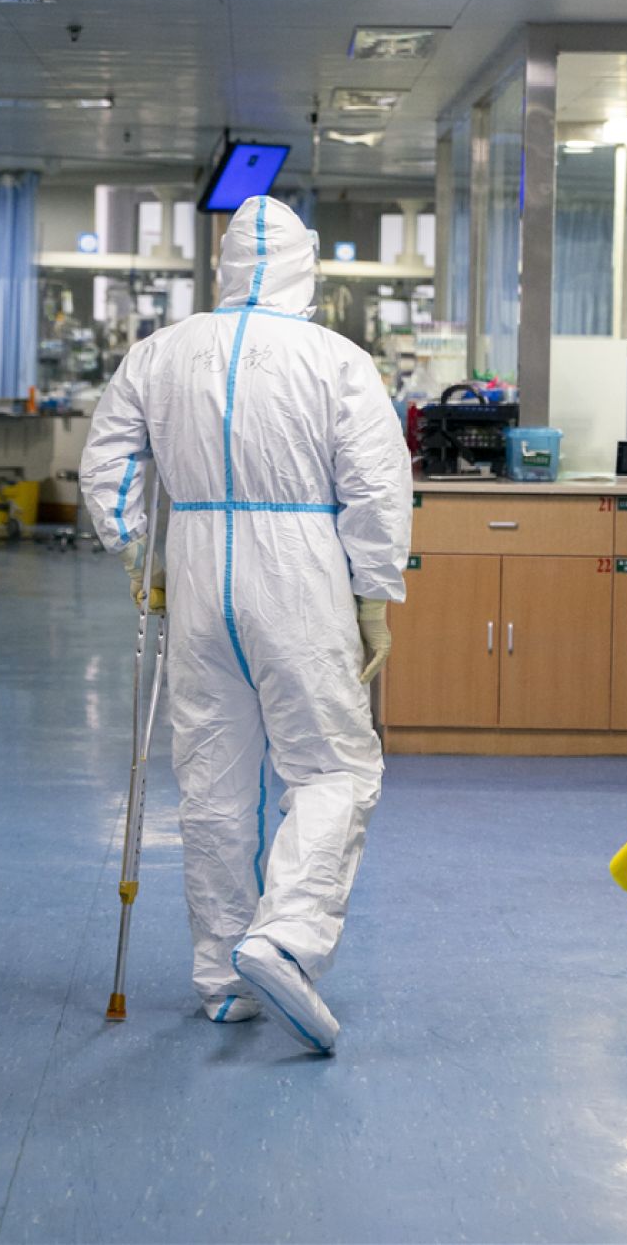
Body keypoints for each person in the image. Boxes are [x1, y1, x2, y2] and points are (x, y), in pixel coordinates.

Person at [80, 195, 412, 1053]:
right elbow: (376, 485)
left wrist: (137, 552)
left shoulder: (160, 352)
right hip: (299, 572)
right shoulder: (335, 359)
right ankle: (287, 937)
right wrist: (373, 596)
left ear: (224, 266)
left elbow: (108, 461)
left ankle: (225, 981)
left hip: (196, 568)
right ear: (307, 266)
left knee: (213, 779)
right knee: (334, 768)